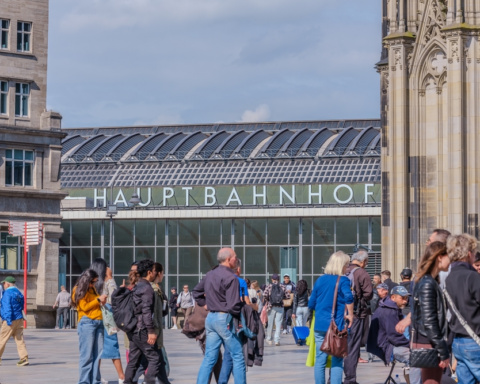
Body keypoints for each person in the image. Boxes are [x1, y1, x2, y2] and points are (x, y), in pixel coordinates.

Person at [192, 248, 245, 384]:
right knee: (238, 356)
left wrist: (206, 304)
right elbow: (233, 305)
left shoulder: (210, 274)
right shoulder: (231, 278)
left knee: (210, 357)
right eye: (235, 257)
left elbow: (196, 291)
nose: (237, 260)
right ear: (228, 259)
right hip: (224, 318)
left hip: (211, 318)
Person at [308, 251, 354, 384]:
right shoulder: (343, 280)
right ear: (341, 265)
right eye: (347, 264)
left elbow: (311, 304)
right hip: (337, 326)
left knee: (320, 360)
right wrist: (350, 314)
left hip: (320, 326)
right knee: (337, 359)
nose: (348, 267)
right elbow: (349, 297)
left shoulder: (320, 280)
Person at [396, 229, 452, 334]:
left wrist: (409, 318)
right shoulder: (430, 276)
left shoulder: (445, 272)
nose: (427, 243)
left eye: (430, 241)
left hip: (441, 328)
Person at [412, 241, 450, 383]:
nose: (451, 260)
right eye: (449, 256)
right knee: (431, 381)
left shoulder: (428, 281)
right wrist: (443, 350)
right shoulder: (427, 283)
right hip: (429, 342)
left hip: (429, 340)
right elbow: (429, 321)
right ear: (439, 257)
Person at [367, 285, 421, 384]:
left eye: (406, 298)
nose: (405, 301)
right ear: (393, 297)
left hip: (387, 344)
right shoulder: (389, 311)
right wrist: (410, 345)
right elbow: (394, 336)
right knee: (417, 358)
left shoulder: (391, 307)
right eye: (402, 298)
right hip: (385, 346)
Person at [445, 233, 480, 384]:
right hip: (475, 340)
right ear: (469, 254)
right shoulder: (471, 277)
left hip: (458, 341)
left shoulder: (446, 278)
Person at [218, 258, 255, 384]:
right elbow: (246, 302)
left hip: (220, 318)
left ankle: (225, 380)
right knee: (234, 353)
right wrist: (255, 307)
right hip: (235, 319)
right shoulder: (241, 281)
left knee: (228, 353)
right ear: (238, 269)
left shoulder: (221, 279)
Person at [90, 258, 125, 384]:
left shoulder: (91, 282)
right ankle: (121, 376)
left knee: (97, 349)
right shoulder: (107, 281)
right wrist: (110, 278)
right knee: (112, 345)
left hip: (94, 318)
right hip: (108, 318)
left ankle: (96, 377)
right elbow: (115, 297)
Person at [72, 269, 108, 384]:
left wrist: (102, 302)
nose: (93, 284)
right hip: (87, 323)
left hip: (98, 322)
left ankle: (95, 381)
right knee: (86, 356)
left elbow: (94, 305)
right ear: (86, 280)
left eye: (95, 282)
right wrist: (98, 299)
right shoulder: (78, 290)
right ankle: (84, 382)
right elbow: (84, 307)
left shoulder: (92, 289)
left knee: (98, 355)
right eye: (92, 282)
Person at [343, 250, 373, 384]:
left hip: (340, 314)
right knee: (352, 347)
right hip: (356, 314)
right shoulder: (362, 273)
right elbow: (369, 293)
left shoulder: (343, 270)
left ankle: (333, 378)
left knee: (338, 346)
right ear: (363, 261)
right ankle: (350, 379)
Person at [0, 276, 29, 366]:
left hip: (10, 320)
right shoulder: (18, 292)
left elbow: (7, 307)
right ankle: (24, 358)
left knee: (2, 339)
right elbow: (21, 306)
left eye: (4, 283)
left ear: (8, 284)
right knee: (19, 339)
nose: (3, 285)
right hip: (19, 319)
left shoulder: (7, 293)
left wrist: (8, 320)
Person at [263, 273, 290, 346]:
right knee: (278, 324)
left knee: (270, 324)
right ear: (278, 279)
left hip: (271, 306)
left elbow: (264, 295)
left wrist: (269, 299)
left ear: (272, 279)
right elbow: (288, 296)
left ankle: (269, 339)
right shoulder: (282, 286)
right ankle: (277, 340)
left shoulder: (269, 286)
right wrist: (281, 298)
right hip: (280, 307)